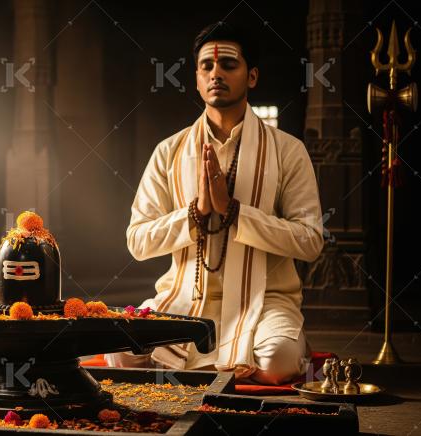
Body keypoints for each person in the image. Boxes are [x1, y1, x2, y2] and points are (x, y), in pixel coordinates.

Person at [106, 22, 324, 385]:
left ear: (251, 76)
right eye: (206, 66)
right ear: (196, 78)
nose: (216, 73)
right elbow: (138, 240)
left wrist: (234, 212)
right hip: (185, 300)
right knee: (120, 350)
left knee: (277, 361)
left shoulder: (288, 150)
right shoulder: (169, 152)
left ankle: (294, 345)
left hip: (265, 299)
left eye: (229, 65)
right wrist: (197, 212)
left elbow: (310, 241)